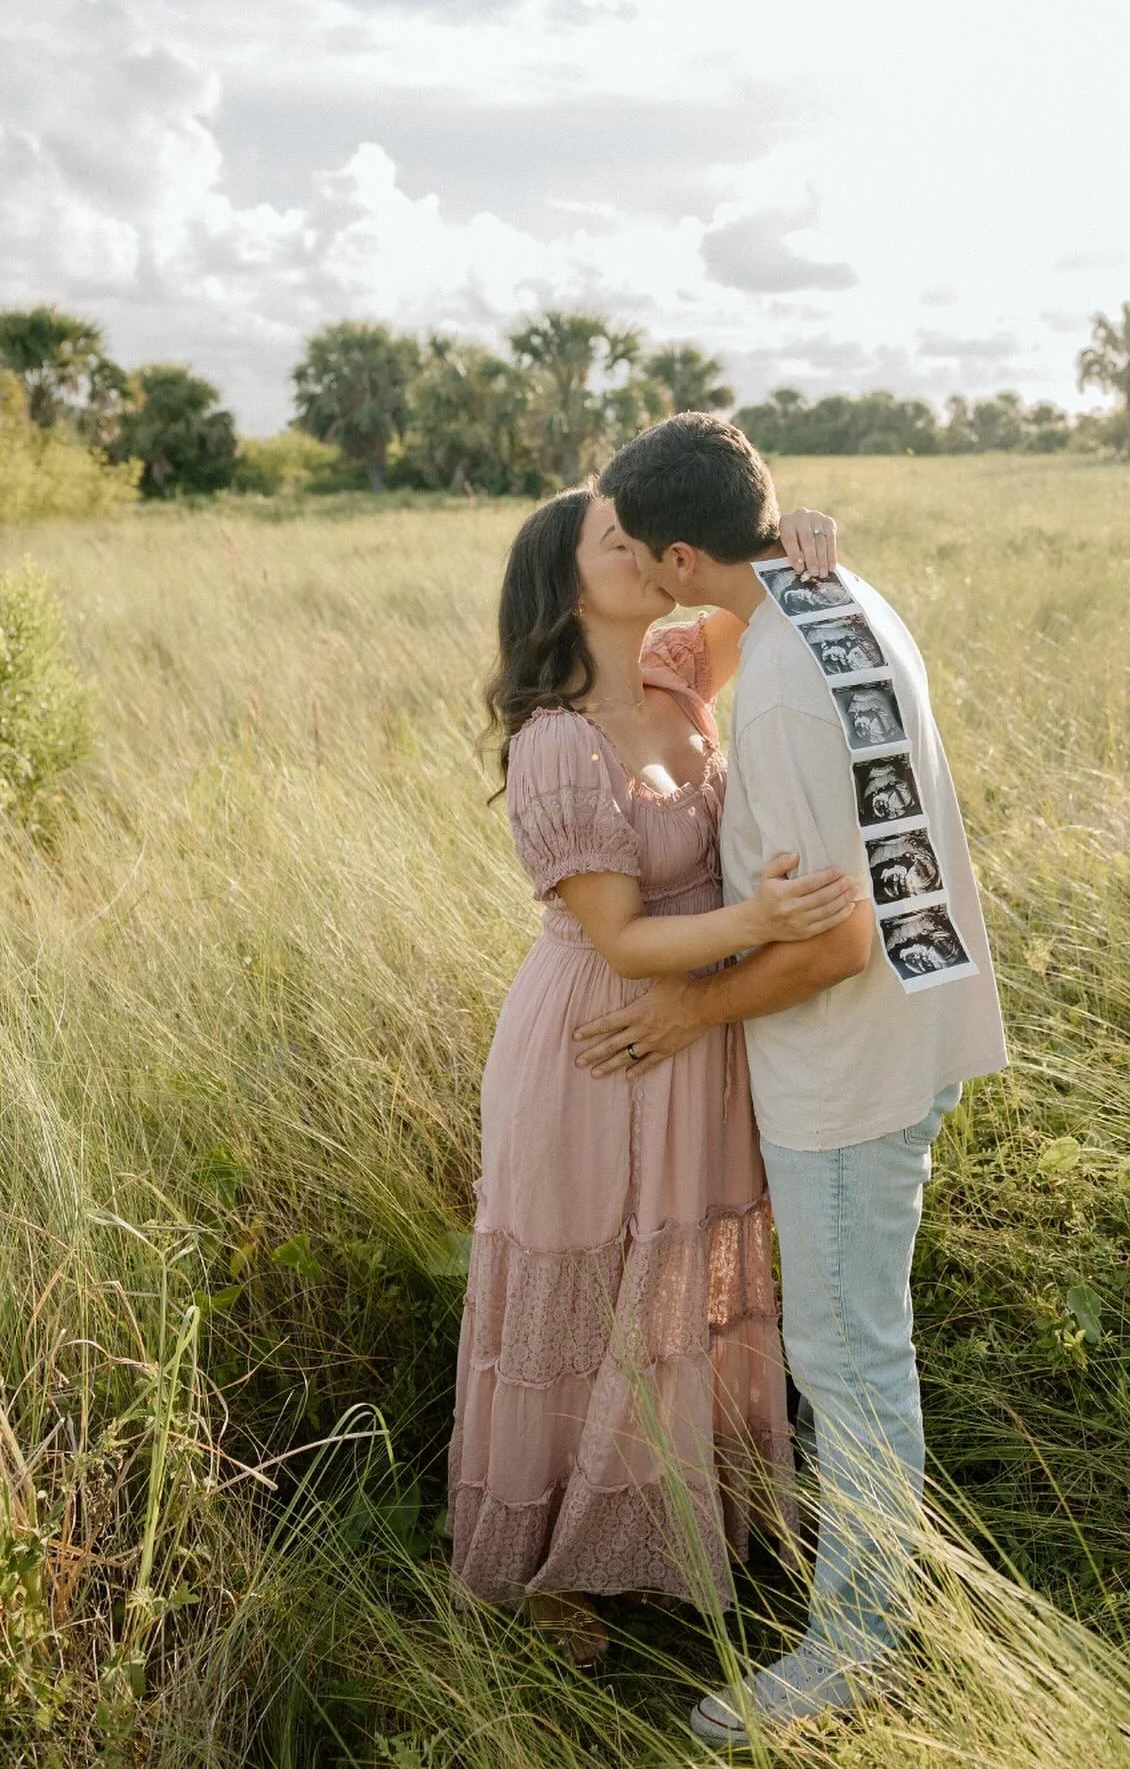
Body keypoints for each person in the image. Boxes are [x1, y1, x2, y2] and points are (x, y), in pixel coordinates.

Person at [576, 414, 1009, 1739]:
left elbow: (835, 940)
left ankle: (865, 1643)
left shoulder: (774, 686)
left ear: (684, 548)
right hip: (923, 1025)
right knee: (858, 1343)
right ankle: (873, 1606)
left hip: (851, 1067)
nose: (639, 575)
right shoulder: (840, 595)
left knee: (849, 1357)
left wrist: (683, 1013)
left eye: (645, 556)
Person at [446, 482, 859, 1666]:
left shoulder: (678, 673)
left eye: (640, 536)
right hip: (599, 1037)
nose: (640, 553)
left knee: (679, 1270)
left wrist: (801, 543)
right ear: (565, 583)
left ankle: (674, 1530)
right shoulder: (556, 742)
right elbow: (622, 938)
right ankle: (542, 1571)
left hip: (699, 1029)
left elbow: (744, 584)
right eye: (611, 541)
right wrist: (765, 917)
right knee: (580, 1289)